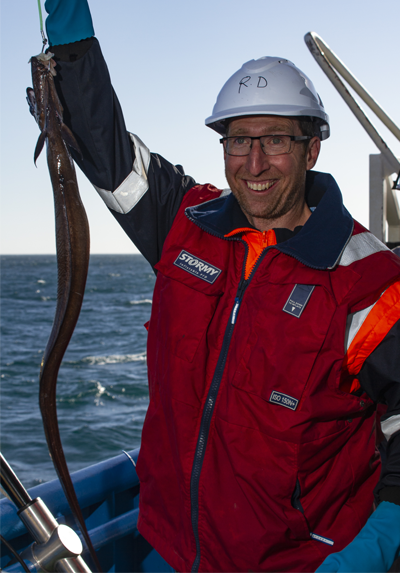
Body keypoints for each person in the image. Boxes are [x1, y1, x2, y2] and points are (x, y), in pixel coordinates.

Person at [42, 1, 400, 571]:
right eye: (237, 140)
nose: (254, 163)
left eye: (275, 141)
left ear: (311, 148)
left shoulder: (368, 280)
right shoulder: (184, 222)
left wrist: (376, 545)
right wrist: (69, 30)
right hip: (171, 552)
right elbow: (103, 148)